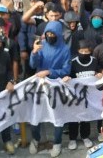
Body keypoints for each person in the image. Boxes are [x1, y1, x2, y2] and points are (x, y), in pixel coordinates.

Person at [29, 21, 71, 157]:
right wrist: (34, 52)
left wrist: (49, 72)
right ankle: (35, 139)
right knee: (36, 114)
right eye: (48, 34)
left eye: (53, 34)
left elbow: (66, 69)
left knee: (57, 115)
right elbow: (32, 64)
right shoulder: (42, 46)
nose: (50, 36)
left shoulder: (65, 49)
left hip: (56, 86)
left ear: (58, 34)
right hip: (40, 85)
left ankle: (57, 143)